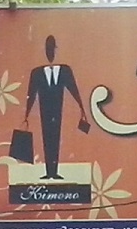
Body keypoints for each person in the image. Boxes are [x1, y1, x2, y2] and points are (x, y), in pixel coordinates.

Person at [23, 35, 90, 180]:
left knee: (57, 137)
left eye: (52, 48)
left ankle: (54, 171)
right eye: (48, 48)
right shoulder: (37, 72)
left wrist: (81, 108)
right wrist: (26, 115)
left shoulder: (65, 70)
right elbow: (31, 94)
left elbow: (74, 89)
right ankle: (49, 172)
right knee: (46, 137)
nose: (50, 52)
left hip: (60, 110)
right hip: (44, 111)